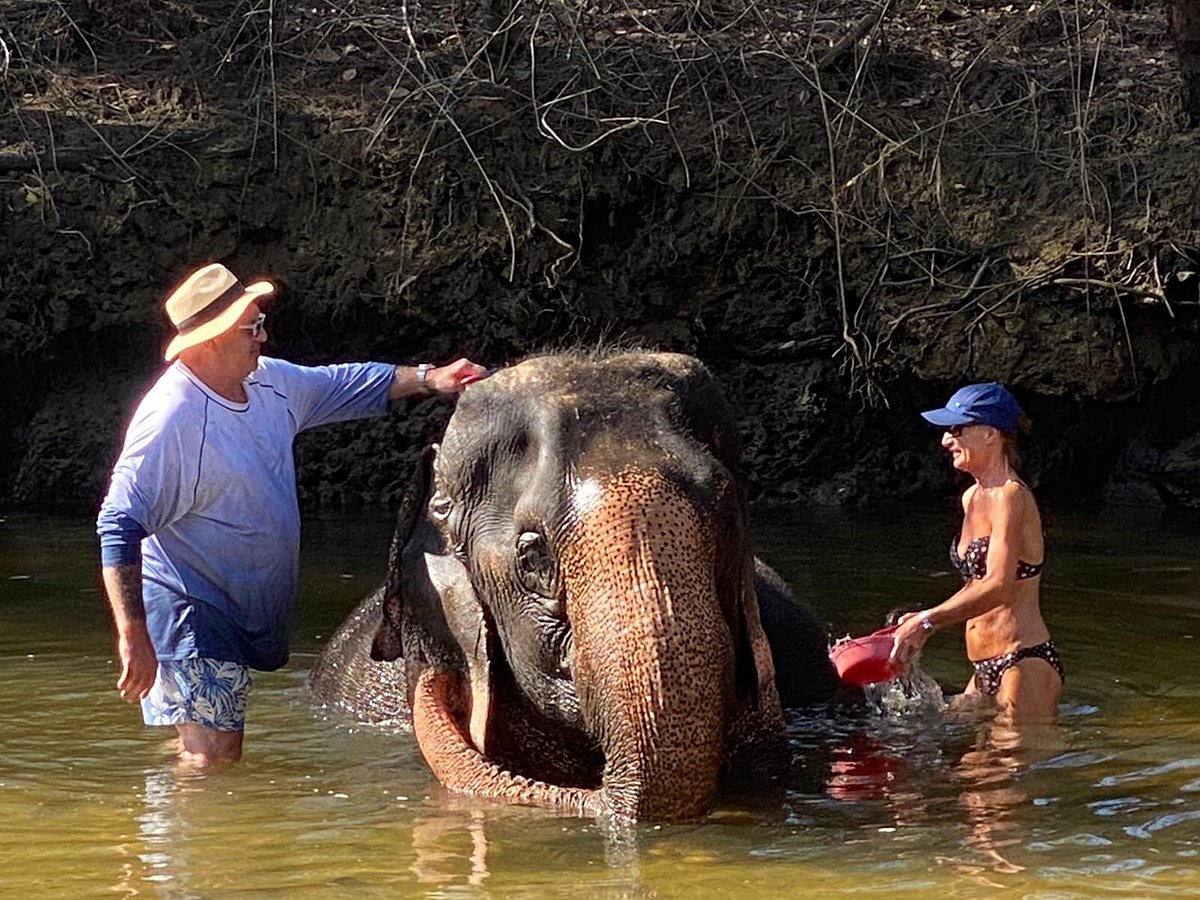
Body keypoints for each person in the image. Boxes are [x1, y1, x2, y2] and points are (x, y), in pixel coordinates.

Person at [96, 262, 488, 765]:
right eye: (252, 326)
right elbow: (118, 523)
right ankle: (179, 843)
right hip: (189, 605)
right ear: (211, 340)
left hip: (237, 604)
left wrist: (432, 379)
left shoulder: (269, 384)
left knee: (209, 754)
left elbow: (344, 385)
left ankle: (184, 835)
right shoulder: (172, 416)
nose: (265, 336)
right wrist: (134, 634)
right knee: (213, 760)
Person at [888, 382, 1063, 722]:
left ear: (990, 433)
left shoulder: (1012, 497)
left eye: (957, 429)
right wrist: (923, 615)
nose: (945, 440)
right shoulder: (971, 498)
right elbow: (975, 584)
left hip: (1023, 662)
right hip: (983, 671)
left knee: (1004, 774)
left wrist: (928, 623)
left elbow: (998, 586)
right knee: (961, 774)